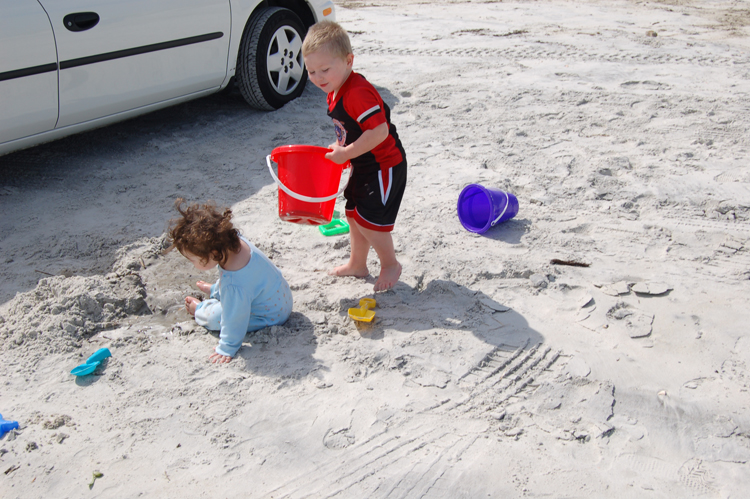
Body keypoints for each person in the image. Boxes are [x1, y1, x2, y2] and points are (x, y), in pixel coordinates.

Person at [302, 20, 407, 292]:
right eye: (311, 71)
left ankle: (390, 263)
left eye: (325, 69)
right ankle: (358, 264)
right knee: (351, 213)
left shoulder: (357, 93)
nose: (318, 77)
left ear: (349, 60)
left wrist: (347, 152)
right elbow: (351, 128)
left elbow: (380, 131)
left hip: (384, 166)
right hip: (363, 163)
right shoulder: (334, 89)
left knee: (369, 220)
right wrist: (342, 151)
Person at [167, 199, 293, 363]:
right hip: (281, 298)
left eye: (193, 260)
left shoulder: (234, 281)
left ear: (212, 254)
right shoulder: (236, 244)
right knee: (233, 291)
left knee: (216, 317)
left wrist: (227, 347)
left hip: (269, 316)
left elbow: (235, 318)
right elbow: (249, 282)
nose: (192, 264)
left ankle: (199, 308)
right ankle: (215, 290)